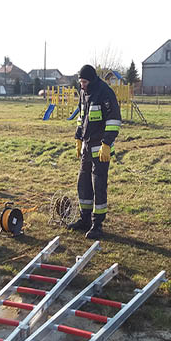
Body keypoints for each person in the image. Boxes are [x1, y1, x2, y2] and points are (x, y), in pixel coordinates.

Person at [68, 64, 121, 239]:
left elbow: (114, 120)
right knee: (83, 182)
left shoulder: (105, 93)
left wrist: (107, 143)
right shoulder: (84, 92)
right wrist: (78, 137)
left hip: (101, 149)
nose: (81, 85)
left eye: (84, 82)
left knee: (98, 185)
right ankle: (85, 220)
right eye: (80, 82)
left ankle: (97, 224)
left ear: (90, 80)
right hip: (86, 146)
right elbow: (82, 117)